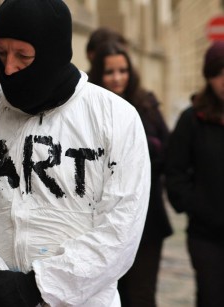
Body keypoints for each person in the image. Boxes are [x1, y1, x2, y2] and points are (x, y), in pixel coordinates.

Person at [0, 1, 151, 306]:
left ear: (52, 54)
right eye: (1, 54)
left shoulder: (115, 119)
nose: (8, 68)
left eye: (23, 56)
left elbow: (121, 228)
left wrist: (38, 286)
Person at [88, 41, 173, 307]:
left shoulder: (146, 105)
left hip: (147, 218)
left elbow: (169, 152)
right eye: (110, 72)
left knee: (141, 295)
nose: (117, 78)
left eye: (122, 70)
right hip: (103, 220)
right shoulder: (91, 108)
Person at [165, 41, 224, 307]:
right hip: (206, 235)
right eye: (219, 73)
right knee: (211, 297)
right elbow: (174, 170)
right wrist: (196, 206)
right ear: (209, 76)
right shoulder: (193, 118)